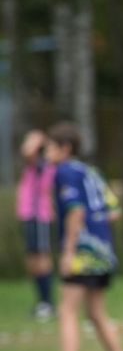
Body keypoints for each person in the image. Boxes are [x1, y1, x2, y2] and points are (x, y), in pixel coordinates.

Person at [46, 122, 123, 351]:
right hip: (104, 251)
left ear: (65, 148)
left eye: (50, 146)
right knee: (95, 313)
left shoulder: (64, 172)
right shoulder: (90, 172)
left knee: (67, 311)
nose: (46, 153)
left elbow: (75, 212)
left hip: (83, 253)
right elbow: (114, 210)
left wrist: (69, 250)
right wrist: (99, 228)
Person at [17, 130, 56, 321]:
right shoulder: (33, 166)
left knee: (42, 257)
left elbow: (27, 152)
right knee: (32, 260)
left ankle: (48, 303)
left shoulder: (43, 164)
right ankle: (42, 302)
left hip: (39, 216)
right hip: (28, 216)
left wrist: (38, 138)